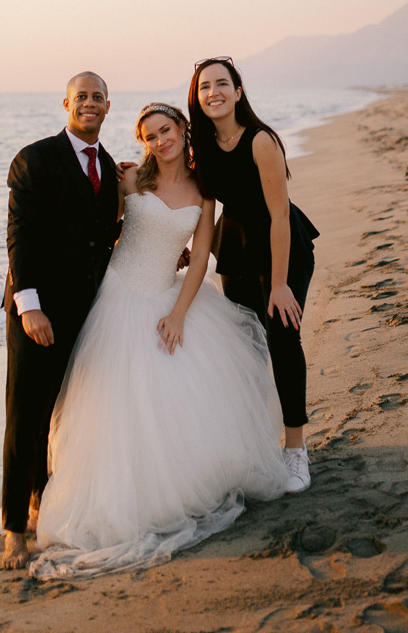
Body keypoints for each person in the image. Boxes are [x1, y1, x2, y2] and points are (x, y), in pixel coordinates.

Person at [29, 103, 288, 581]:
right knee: (110, 401)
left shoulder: (205, 192)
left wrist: (178, 314)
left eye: (166, 131)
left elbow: (199, 260)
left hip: (168, 301)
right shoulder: (131, 182)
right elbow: (96, 231)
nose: (159, 141)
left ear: (183, 131)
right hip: (117, 297)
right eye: (149, 135)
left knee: (170, 398)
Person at [0, 71, 119, 569]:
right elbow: (18, 235)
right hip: (37, 310)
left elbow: (102, 238)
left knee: (59, 413)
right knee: (24, 415)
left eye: (98, 98)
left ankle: (41, 500)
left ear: (109, 107)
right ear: (66, 103)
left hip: (84, 311)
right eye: (81, 97)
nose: (89, 104)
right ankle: (13, 530)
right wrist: (29, 307)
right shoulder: (35, 158)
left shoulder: (108, 167)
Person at [188, 57, 319, 493]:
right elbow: (190, 198)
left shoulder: (261, 141)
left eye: (222, 84)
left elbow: (279, 214)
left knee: (283, 337)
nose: (214, 92)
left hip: (281, 247)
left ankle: (295, 449)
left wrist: (279, 284)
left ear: (238, 92)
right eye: (205, 87)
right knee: (246, 345)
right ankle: (254, 443)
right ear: (198, 97)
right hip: (237, 251)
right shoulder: (202, 146)